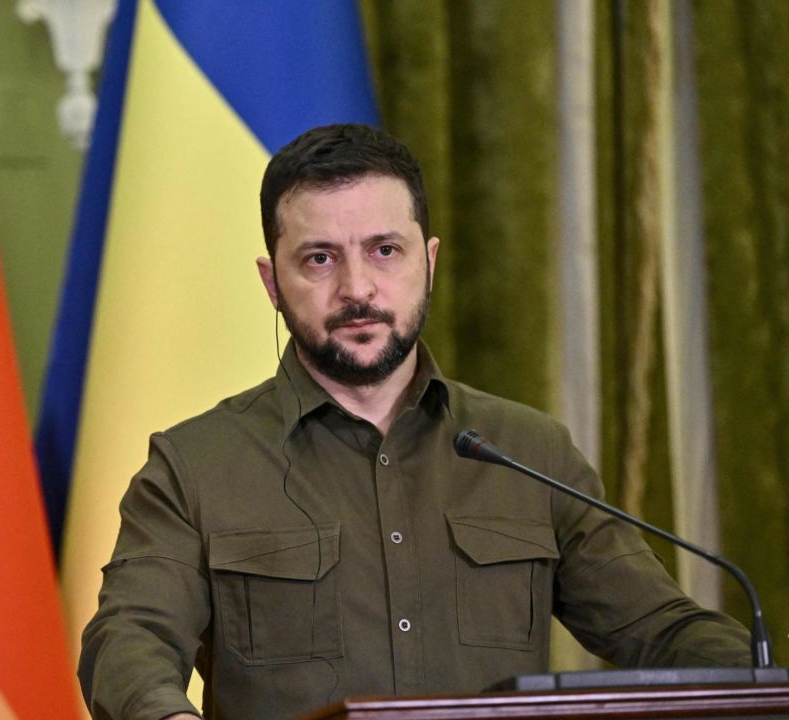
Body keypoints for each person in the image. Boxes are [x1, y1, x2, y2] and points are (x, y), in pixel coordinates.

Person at [77, 124, 750, 720]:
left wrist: (761, 684)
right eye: (319, 258)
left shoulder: (528, 451)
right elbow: (128, 641)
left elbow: (662, 632)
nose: (358, 289)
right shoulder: (195, 466)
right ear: (272, 282)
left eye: (384, 251)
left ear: (427, 262)